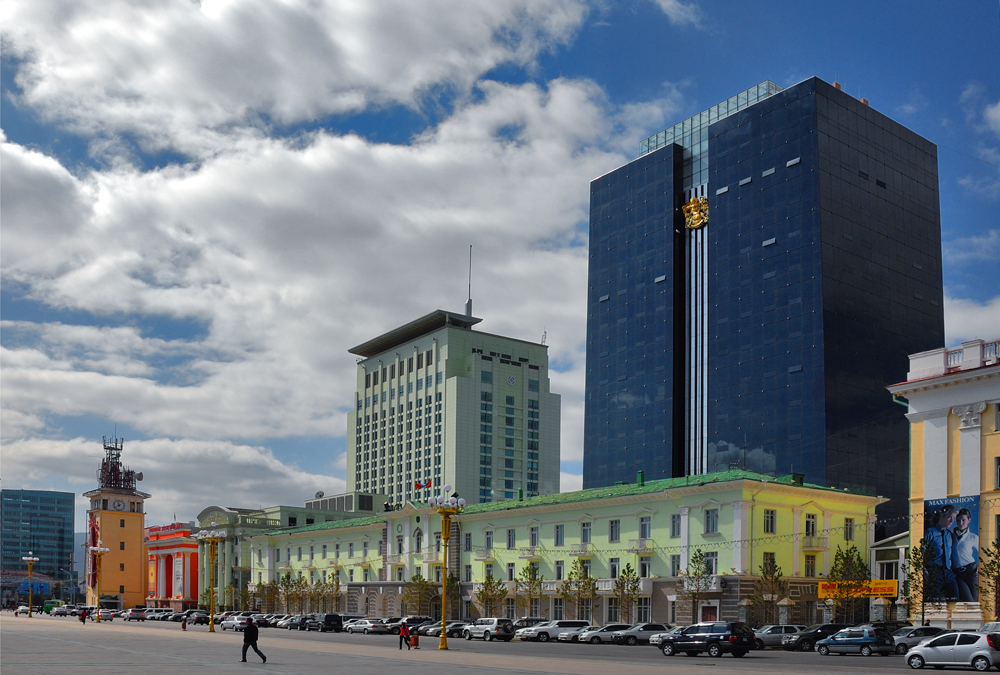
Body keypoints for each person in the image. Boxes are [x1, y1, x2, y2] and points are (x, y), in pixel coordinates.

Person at [924, 504, 959, 601]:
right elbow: (920, 553)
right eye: (949, 517)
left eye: (953, 518)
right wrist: (924, 571)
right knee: (936, 601)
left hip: (948, 572)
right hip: (934, 571)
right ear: (942, 516)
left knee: (956, 599)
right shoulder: (930, 533)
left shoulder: (949, 535)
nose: (952, 521)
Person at [953, 507, 980, 602]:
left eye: (963, 520)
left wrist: (979, 567)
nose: (961, 523)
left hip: (971, 571)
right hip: (957, 572)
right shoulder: (950, 536)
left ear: (969, 520)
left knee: (974, 601)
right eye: (958, 520)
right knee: (967, 600)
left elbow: (984, 553)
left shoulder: (973, 537)